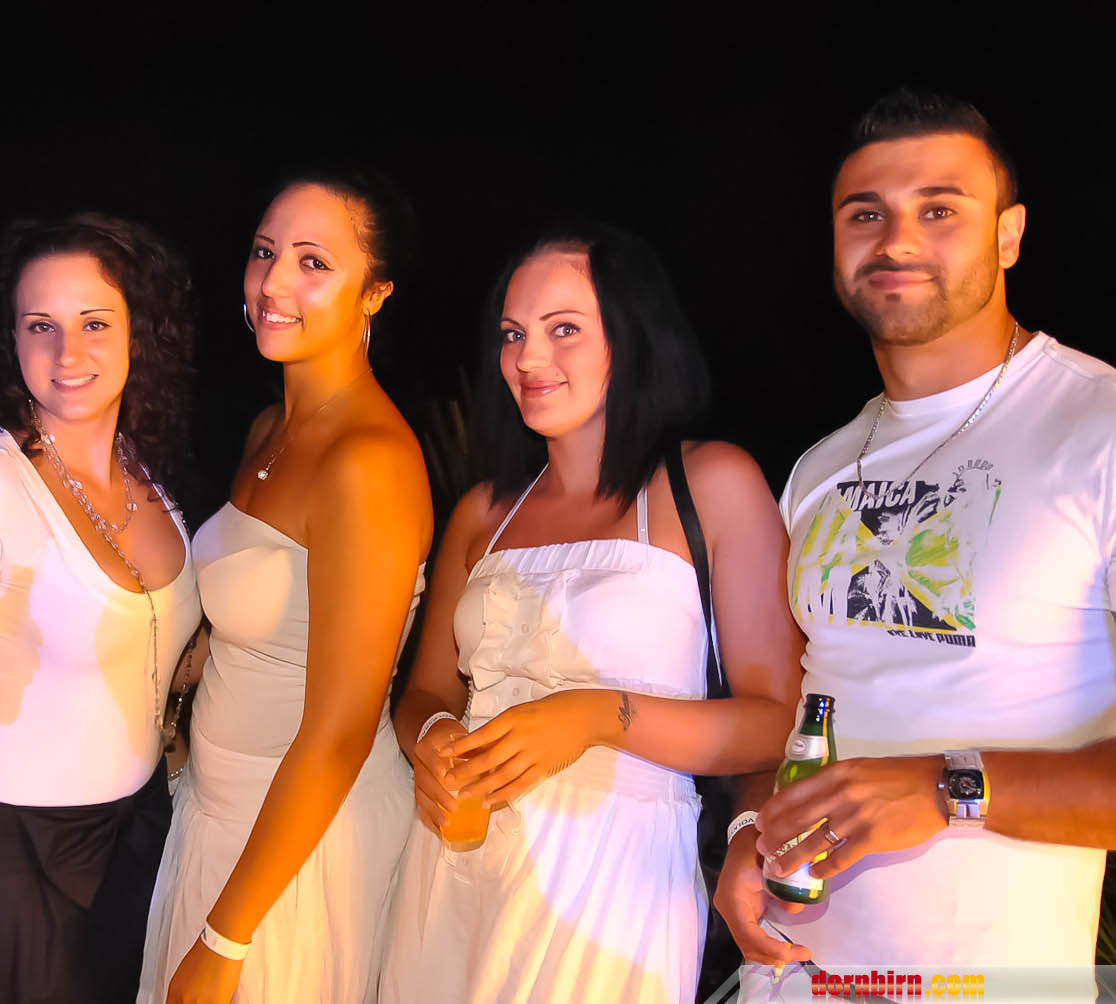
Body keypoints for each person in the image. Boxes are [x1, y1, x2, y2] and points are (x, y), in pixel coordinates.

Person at [717, 87, 1116, 994]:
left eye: (939, 210)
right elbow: (799, 706)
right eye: (866, 214)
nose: (896, 240)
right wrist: (748, 832)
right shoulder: (820, 467)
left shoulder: (1097, 428)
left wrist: (948, 788)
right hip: (793, 974)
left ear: (1009, 235)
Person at [378, 222, 804, 1003]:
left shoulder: (710, 484)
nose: (528, 358)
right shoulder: (481, 513)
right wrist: (432, 736)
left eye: (564, 329)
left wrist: (597, 717)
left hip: (613, 882)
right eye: (513, 334)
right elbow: (426, 691)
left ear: (630, 338)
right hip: (454, 867)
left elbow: (778, 722)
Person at [0, 214, 205, 1004]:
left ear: (139, 333)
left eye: (94, 323)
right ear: (12, 338)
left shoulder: (147, 474)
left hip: (138, 835)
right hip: (13, 856)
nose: (68, 353)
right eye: (41, 326)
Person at [139, 171, 434, 1004]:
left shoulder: (368, 462)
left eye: (313, 263)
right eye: (264, 252)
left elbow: (340, 731)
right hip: (216, 811)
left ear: (374, 293)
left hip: (300, 849)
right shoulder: (270, 428)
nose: (273, 283)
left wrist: (226, 937)